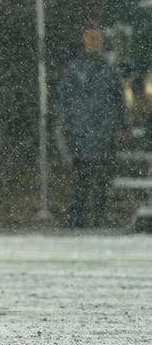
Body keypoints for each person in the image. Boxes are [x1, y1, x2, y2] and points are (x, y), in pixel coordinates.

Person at [58, 25, 129, 228]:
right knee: (81, 178)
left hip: (103, 133)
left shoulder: (108, 69)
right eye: (90, 38)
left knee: (101, 179)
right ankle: (78, 216)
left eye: (96, 39)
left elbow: (118, 99)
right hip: (81, 133)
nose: (93, 42)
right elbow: (65, 100)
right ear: (84, 40)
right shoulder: (75, 69)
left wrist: (121, 125)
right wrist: (68, 125)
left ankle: (100, 215)